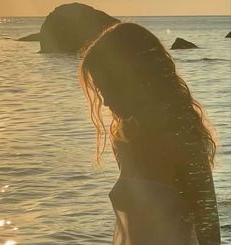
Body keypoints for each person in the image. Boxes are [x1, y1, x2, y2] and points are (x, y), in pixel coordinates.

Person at [79, 23, 221, 245]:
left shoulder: (182, 140)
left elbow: (209, 231)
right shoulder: (124, 140)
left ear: (136, 77)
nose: (105, 101)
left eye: (109, 86)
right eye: (100, 89)